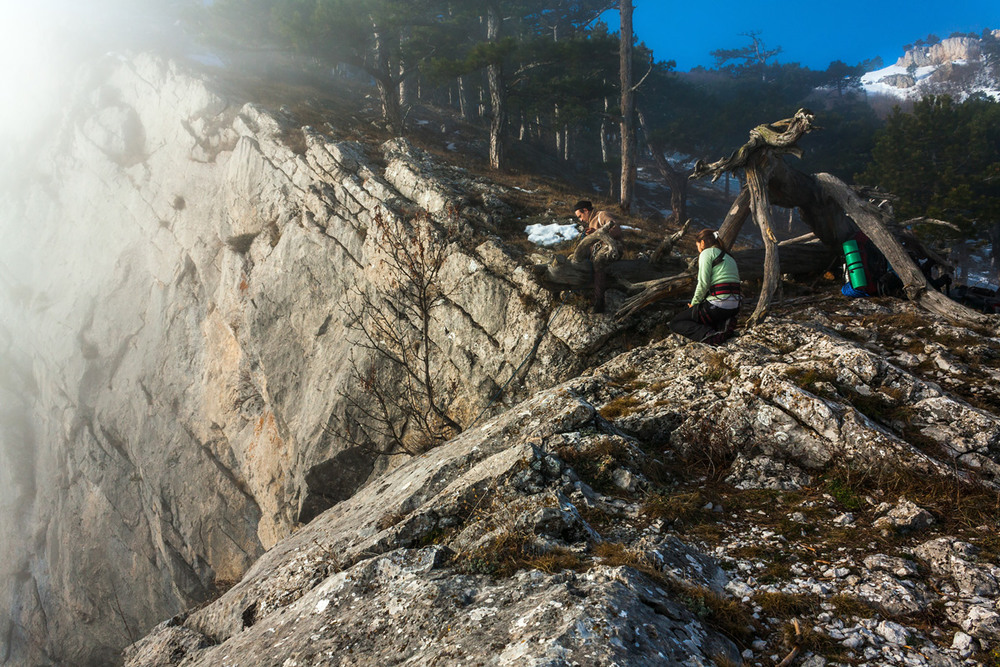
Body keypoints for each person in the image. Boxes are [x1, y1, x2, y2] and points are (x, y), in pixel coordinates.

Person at [669, 228, 741, 345]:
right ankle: (722, 326)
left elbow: (703, 283)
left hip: (719, 305)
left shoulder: (706, 253)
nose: (698, 249)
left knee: (676, 322)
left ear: (702, 243)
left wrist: (694, 304)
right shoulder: (729, 256)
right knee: (704, 313)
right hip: (734, 306)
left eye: (697, 245)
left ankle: (709, 335)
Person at [573, 200, 623, 313]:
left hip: (613, 248)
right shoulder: (591, 222)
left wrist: (597, 233)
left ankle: (599, 301)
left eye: (580, 216)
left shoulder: (602, 215)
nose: (581, 219)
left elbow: (617, 229)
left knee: (598, 262)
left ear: (585, 210)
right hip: (602, 250)